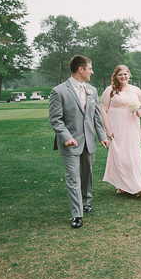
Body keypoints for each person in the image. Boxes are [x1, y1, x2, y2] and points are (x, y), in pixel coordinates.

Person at [49, 55, 109, 228]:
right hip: (70, 143)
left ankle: (86, 201)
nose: (92, 71)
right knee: (73, 178)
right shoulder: (59, 91)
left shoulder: (92, 90)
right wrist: (66, 137)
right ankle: (77, 214)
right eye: (90, 68)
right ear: (80, 70)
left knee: (87, 173)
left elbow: (96, 116)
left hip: (89, 140)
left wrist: (102, 136)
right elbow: (56, 120)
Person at [100, 65, 141, 197]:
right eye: (120, 74)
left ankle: (138, 185)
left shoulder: (136, 90)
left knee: (133, 154)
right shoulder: (110, 90)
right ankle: (121, 184)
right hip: (116, 125)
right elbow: (103, 110)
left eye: (125, 74)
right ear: (116, 76)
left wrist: (140, 112)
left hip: (132, 125)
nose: (123, 77)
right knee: (120, 155)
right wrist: (108, 130)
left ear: (129, 75)